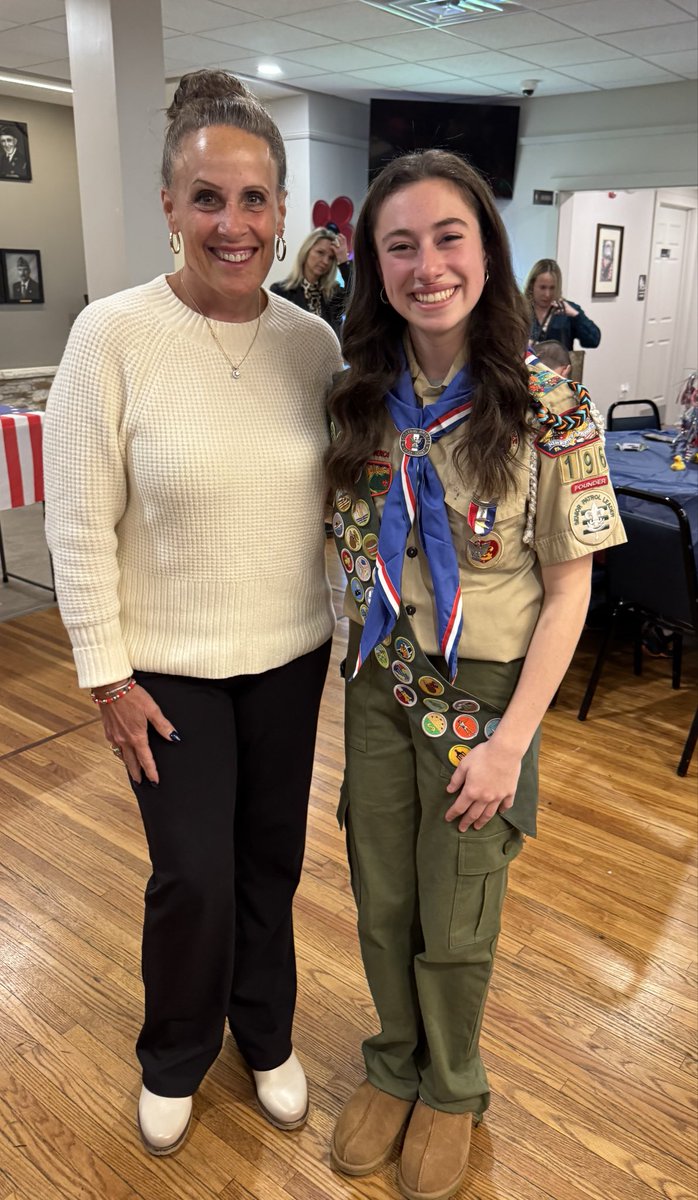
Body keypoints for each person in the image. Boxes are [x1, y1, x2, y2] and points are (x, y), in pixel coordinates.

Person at [44, 69, 343, 1158]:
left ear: (281, 210)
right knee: (192, 877)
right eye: (208, 198)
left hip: (289, 655)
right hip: (163, 666)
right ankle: (173, 1049)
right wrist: (105, 677)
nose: (234, 224)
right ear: (169, 206)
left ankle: (264, 1034)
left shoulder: (312, 344)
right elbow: (76, 521)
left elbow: (337, 503)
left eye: (254, 199)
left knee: (270, 861)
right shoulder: (109, 335)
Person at [325, 150, 626, 1200]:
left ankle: (452, 1087)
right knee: (378, 896)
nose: (425, 264)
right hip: (377, 681)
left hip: (485, 694)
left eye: (447, 236)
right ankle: (393, 1064)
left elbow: (570, 591)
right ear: (374, 262)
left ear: (486, 251)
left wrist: (509, 744)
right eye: (398, 244)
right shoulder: (356, 396)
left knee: (455, 911)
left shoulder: (551, 404)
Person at [271, 227, 351, 336]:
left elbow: (357, 298)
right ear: (306, 251)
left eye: (331, 257)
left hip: (331, 353)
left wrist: (343, 262)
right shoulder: (281, 292)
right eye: (320, 252)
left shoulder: (333, 294)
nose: (325, 261)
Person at [525, 258, 600, 350]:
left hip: (560, 364)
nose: (547, 294)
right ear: (532, 285)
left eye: (552, 288)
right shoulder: (520, 310)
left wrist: (576, 316)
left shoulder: (567, 310)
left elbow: (593, 341)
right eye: (542, 287)